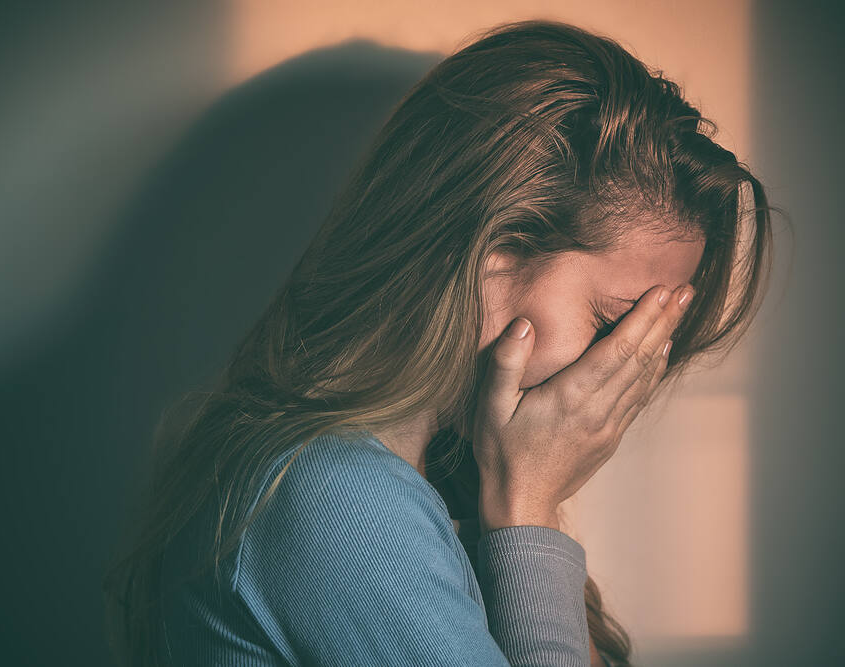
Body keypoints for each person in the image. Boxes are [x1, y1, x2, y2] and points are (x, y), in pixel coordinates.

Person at [103, 19, 772, 667]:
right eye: (613, 321)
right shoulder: (333, 496)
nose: (632, 369)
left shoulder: (426, 477)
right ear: (495, 252)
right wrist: (529, 503)